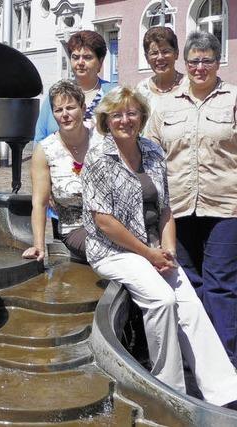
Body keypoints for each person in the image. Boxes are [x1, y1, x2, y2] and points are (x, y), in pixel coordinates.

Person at [82, 86, 237, 408]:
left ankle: (225, 391)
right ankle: (169, 389)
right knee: (163, 300)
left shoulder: (152, 151)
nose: (125, 119)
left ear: (141, 116)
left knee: (191, 304)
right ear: (106, 121)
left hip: (153, 247)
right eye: (117, 114)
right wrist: (149, 254)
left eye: (132, 112)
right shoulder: (98, 157)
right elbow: (104, 222)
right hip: (113, 249)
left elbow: (166, 209)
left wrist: (168, 251)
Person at [145, 31, 237, 368]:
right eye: (194, 61)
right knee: (189, 284)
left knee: (221, 286)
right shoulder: (165, 106)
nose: (200, 67)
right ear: (186, 64)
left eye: (207, 60)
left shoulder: (233, 99)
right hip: (178, 209)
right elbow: (151, 155)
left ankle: (228, 363)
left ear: (217, 62)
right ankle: (197, 360)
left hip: (226, 207)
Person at [22, 80, 102, 262]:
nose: (65, 114)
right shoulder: (45, 150)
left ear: (83, 108)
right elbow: (40, 203)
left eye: (71, 108)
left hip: (112, 224)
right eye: (58, 110)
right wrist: (38, 245)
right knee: (110, 250)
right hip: (75, 228)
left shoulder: (101, 139)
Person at [34, 30, 116, 142]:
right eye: (76, 57)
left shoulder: (113, 94)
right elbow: (39, 139)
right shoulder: (56, 94)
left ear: (100, 62)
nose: (80, 62)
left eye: (87, 57)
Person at [135, 26, 185, 110]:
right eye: (154, 53)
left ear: (176, 54)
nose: (160, 58)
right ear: (147, 58)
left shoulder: (190, 86)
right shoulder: (142, 90)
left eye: (165, 52)